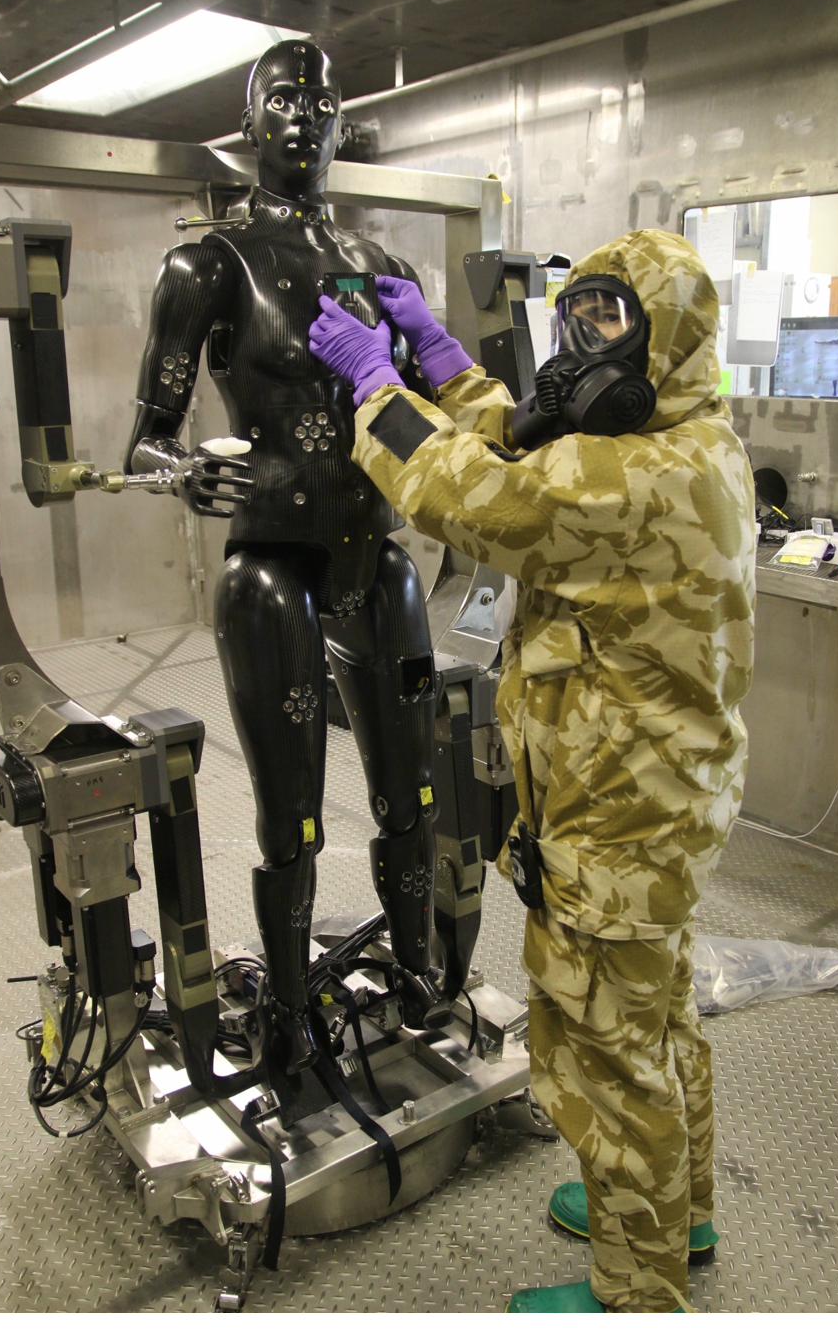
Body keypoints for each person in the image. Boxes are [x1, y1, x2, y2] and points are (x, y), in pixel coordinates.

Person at [308, 229, 756, 1313]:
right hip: (665, 805)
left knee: (607, 1053)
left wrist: (375, 385)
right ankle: (675, 1210)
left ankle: (634, 1293)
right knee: (658, 1019)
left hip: (613, 818)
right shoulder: (687, 434)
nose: (581, 345)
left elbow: (470, 493)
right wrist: (441, 355)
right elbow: (521, 434)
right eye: (579, 315)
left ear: (671, 336)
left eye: (609, 322)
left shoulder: (632, 476)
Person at [124, 40, 451, 1100]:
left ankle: (417, 973)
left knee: (412, 788)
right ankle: (291, 1015)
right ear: (251, 118)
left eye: (320, 100)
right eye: (281, 100)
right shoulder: (212, 264)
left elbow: (433, 407)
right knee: (292, 813)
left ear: (340, 118)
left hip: (376, 555)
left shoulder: (383, 266)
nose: (302, 118)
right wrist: (180, 471)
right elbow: (148, 436)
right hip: (270, 563)